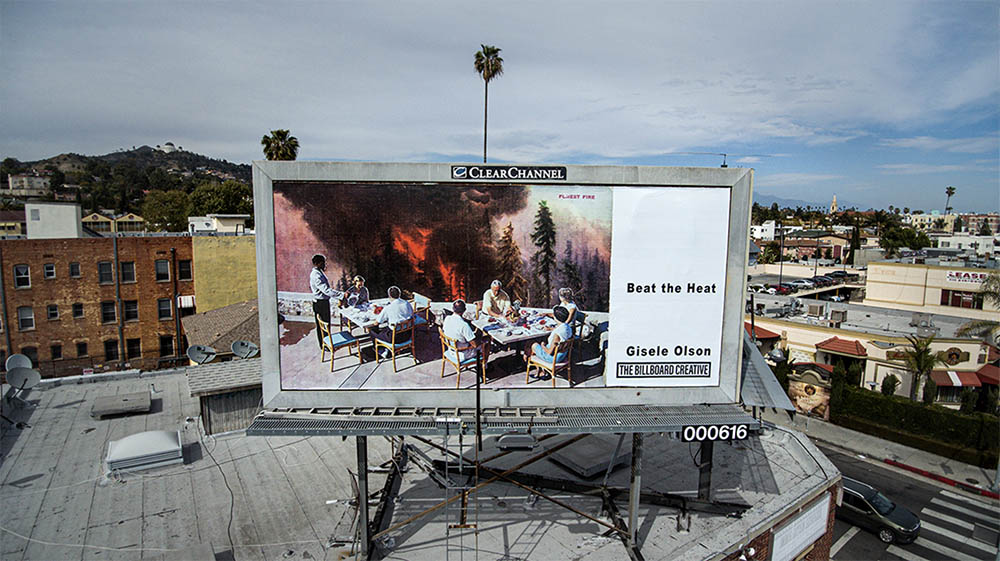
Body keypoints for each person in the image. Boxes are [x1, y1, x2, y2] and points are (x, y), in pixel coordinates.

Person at [442, 299, 490, 374]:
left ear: (453, 309)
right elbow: (474, 345)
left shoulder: (447, 319)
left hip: (450, 350)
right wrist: (482, 340)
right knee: (487, 341)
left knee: (475, 336)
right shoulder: (464, 326)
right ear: (464, 310)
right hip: (462, 354)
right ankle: (484, 366)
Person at [310, 254, 344, 348]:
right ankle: (324, 344)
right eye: (322, 262)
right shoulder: (316, 275)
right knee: (323, 325)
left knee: (326, 324)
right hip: (320, 303)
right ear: (317, 263)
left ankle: (326, 343)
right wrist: (341, 295)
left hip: (323, 302)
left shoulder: (319, 272)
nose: (324, 264)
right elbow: (326, 290)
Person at [526, 305, 573, 372]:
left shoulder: (557, 335)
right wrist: (550, 328)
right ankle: (538, 367)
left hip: (553, 358)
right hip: (562, 355)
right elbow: (561, 330)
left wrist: (543, 345)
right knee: (532, 344)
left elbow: (549, 352)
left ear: (556, 317)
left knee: (531, 344)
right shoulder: (568, 327)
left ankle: (539, 370)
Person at [374, 286, 414, 353]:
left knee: (373, 331)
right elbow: (412, 315)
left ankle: (381, 351)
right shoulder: (406, 303)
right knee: (387, 328)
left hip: (395, 338)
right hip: (408, 335)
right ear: (399, 294)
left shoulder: (388, 308)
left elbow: (377, 322)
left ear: (389, 296)